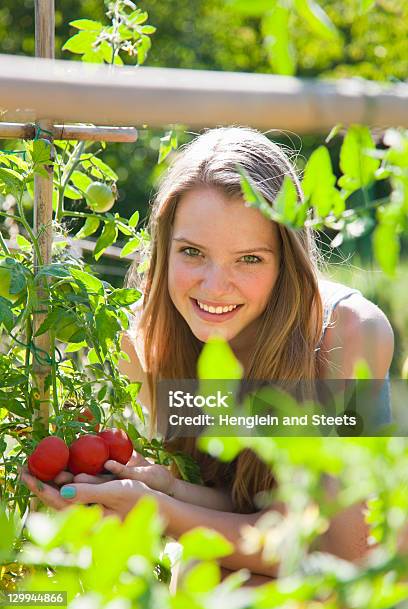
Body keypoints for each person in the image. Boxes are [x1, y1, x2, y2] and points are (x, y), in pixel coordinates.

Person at [21, 127, 394, 585]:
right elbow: (246, 503)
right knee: (197, 568)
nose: (215, 287)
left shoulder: (348, 332)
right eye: (192, 252)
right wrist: (164, 487)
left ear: (285, 261)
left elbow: (340, 552)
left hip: (366, 588)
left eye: (249, 259)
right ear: (164, 248)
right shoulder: (145, 339)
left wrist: (158, 508)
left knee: (200, 570)